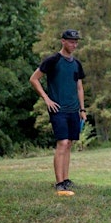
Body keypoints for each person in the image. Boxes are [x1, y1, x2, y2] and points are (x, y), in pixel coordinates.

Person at [29, 29, 86, 196]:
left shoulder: (76, 64)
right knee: (62, 143)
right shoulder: (53, 60)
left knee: (69, 144)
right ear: (63, 41)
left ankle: (66, 179)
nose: (74, 44)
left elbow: (79, 87)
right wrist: (46, 99)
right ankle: (59, 183)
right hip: (58, 109)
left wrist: (82, 109)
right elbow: (34, 79)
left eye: (76, 42)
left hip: (74, 110)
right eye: (70, 41)